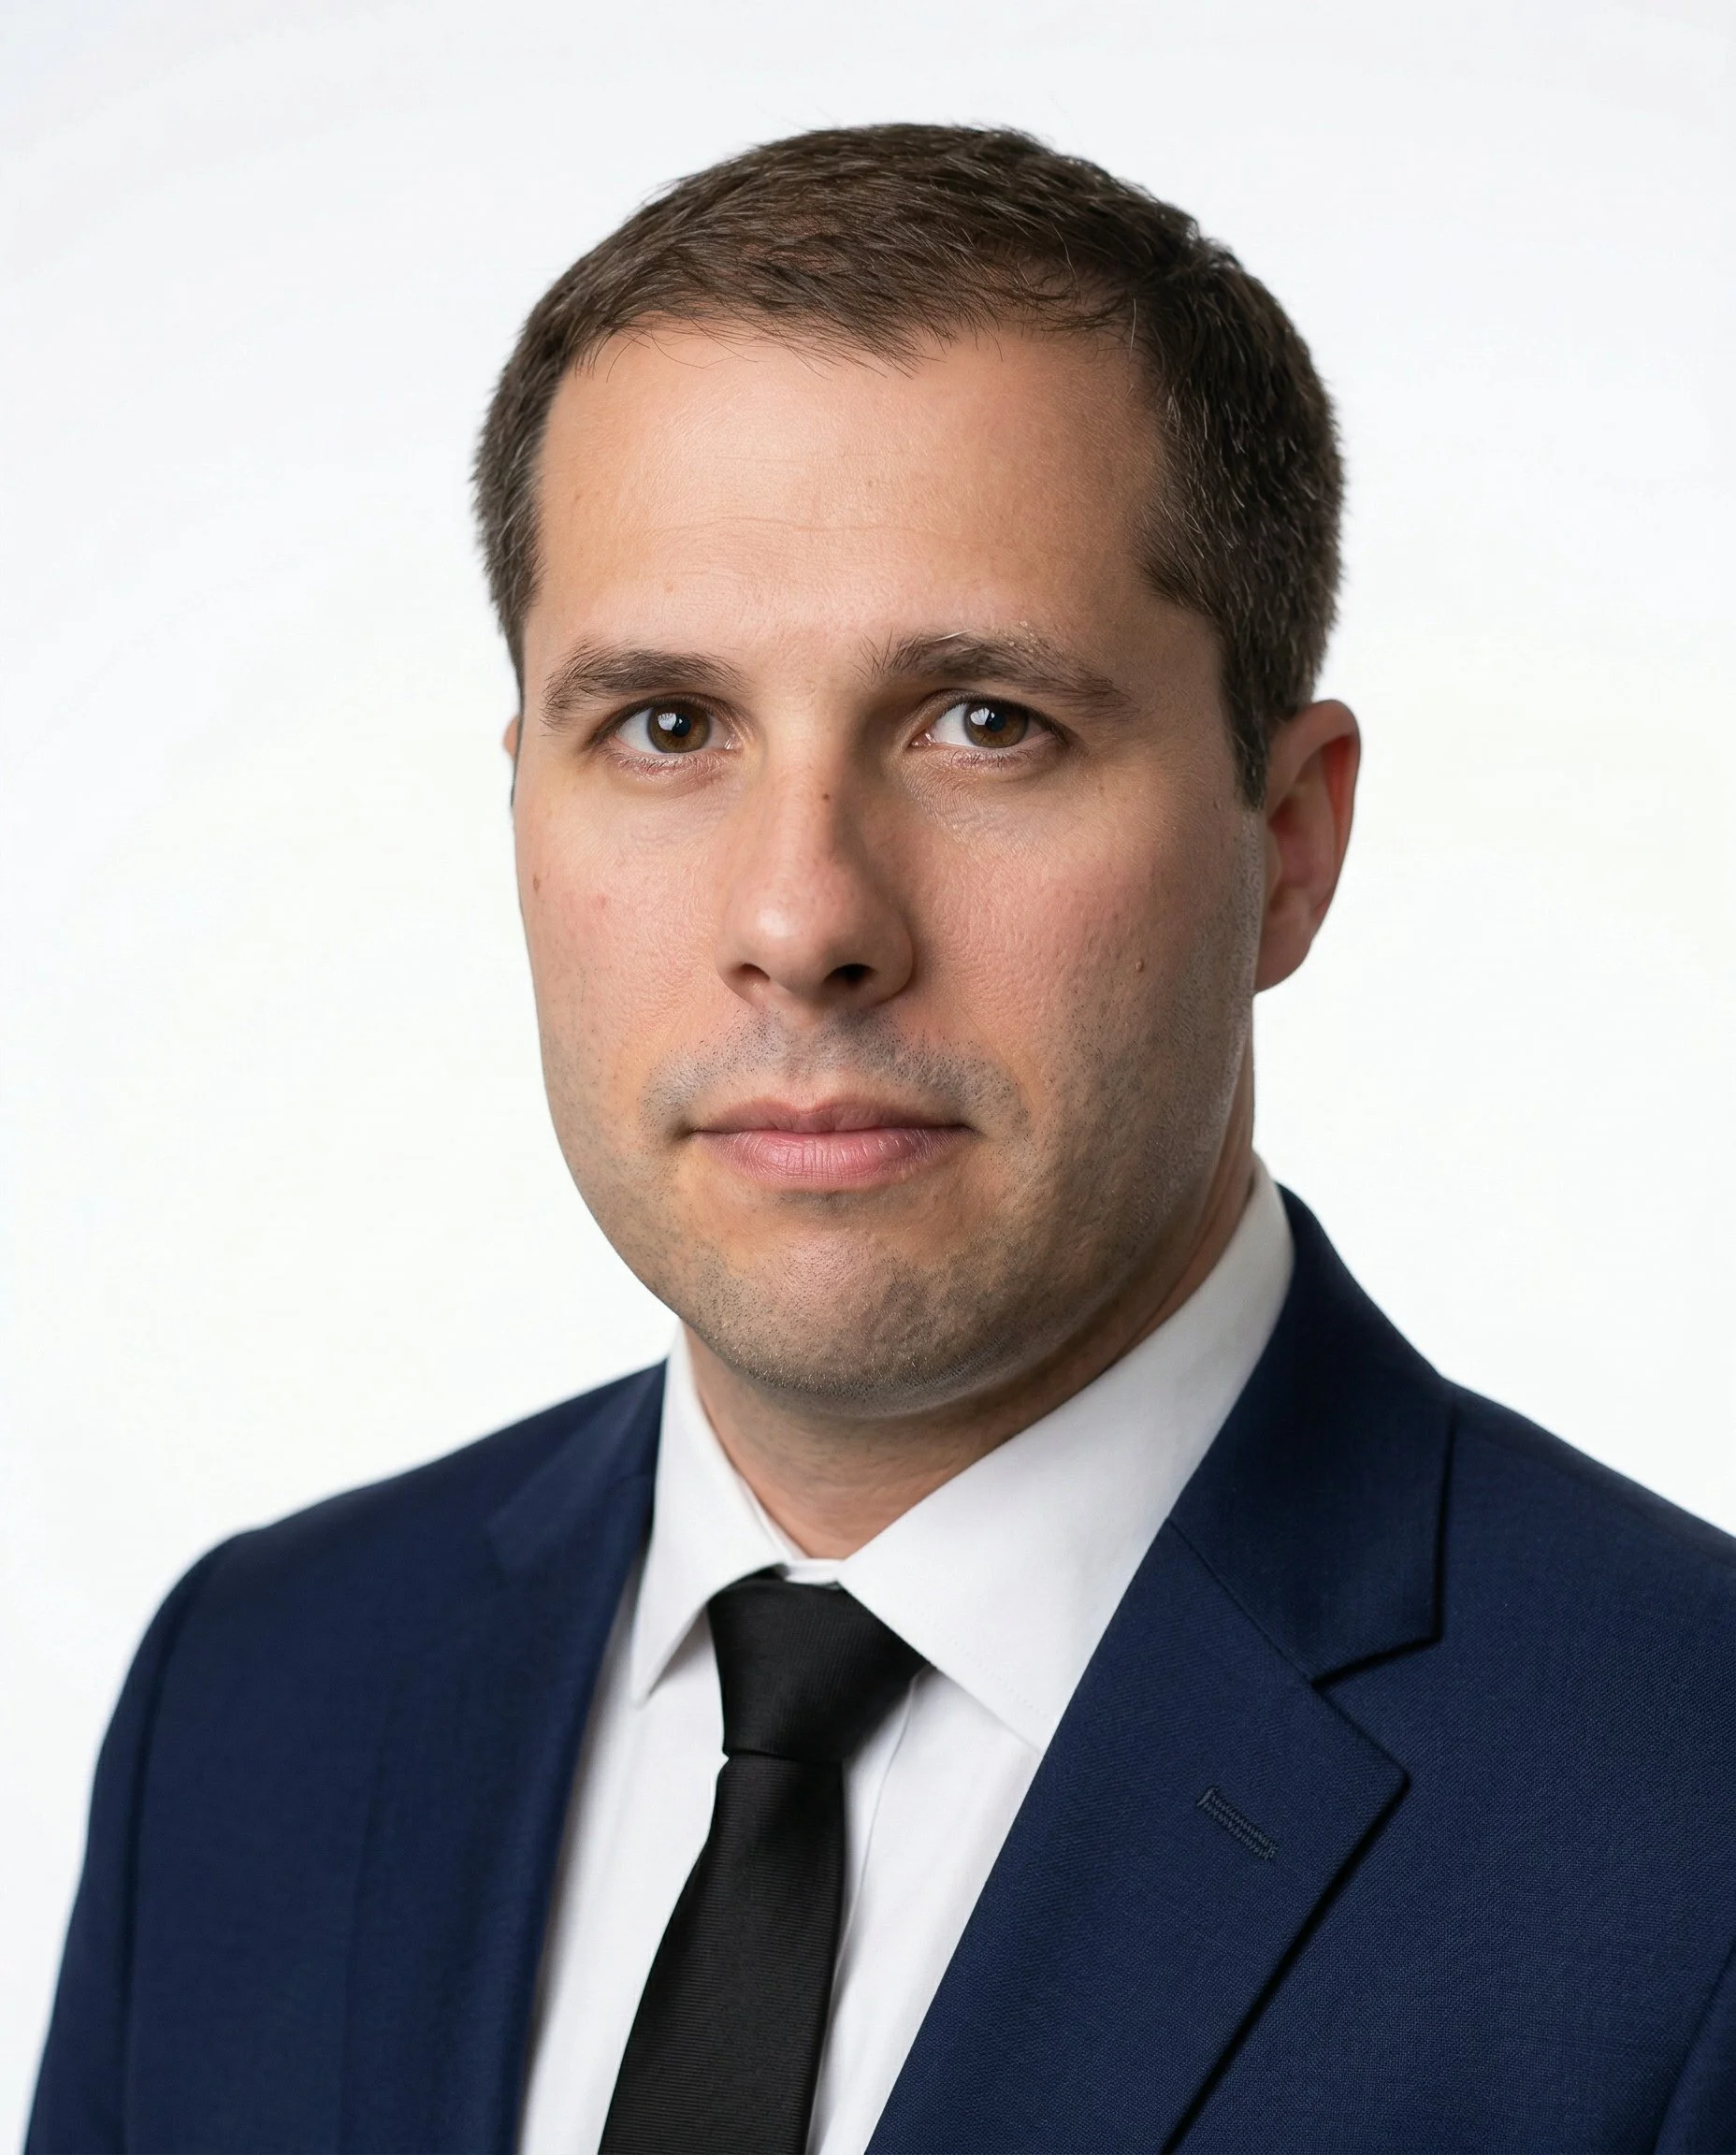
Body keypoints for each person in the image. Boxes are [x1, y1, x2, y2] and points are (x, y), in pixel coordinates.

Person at [28, 123, 1736, 2155]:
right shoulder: (257, 1698)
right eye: (665, 726)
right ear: (518, 808)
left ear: (1286, 846)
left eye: (984, 721)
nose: (802, 921)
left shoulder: (1684, 1819)